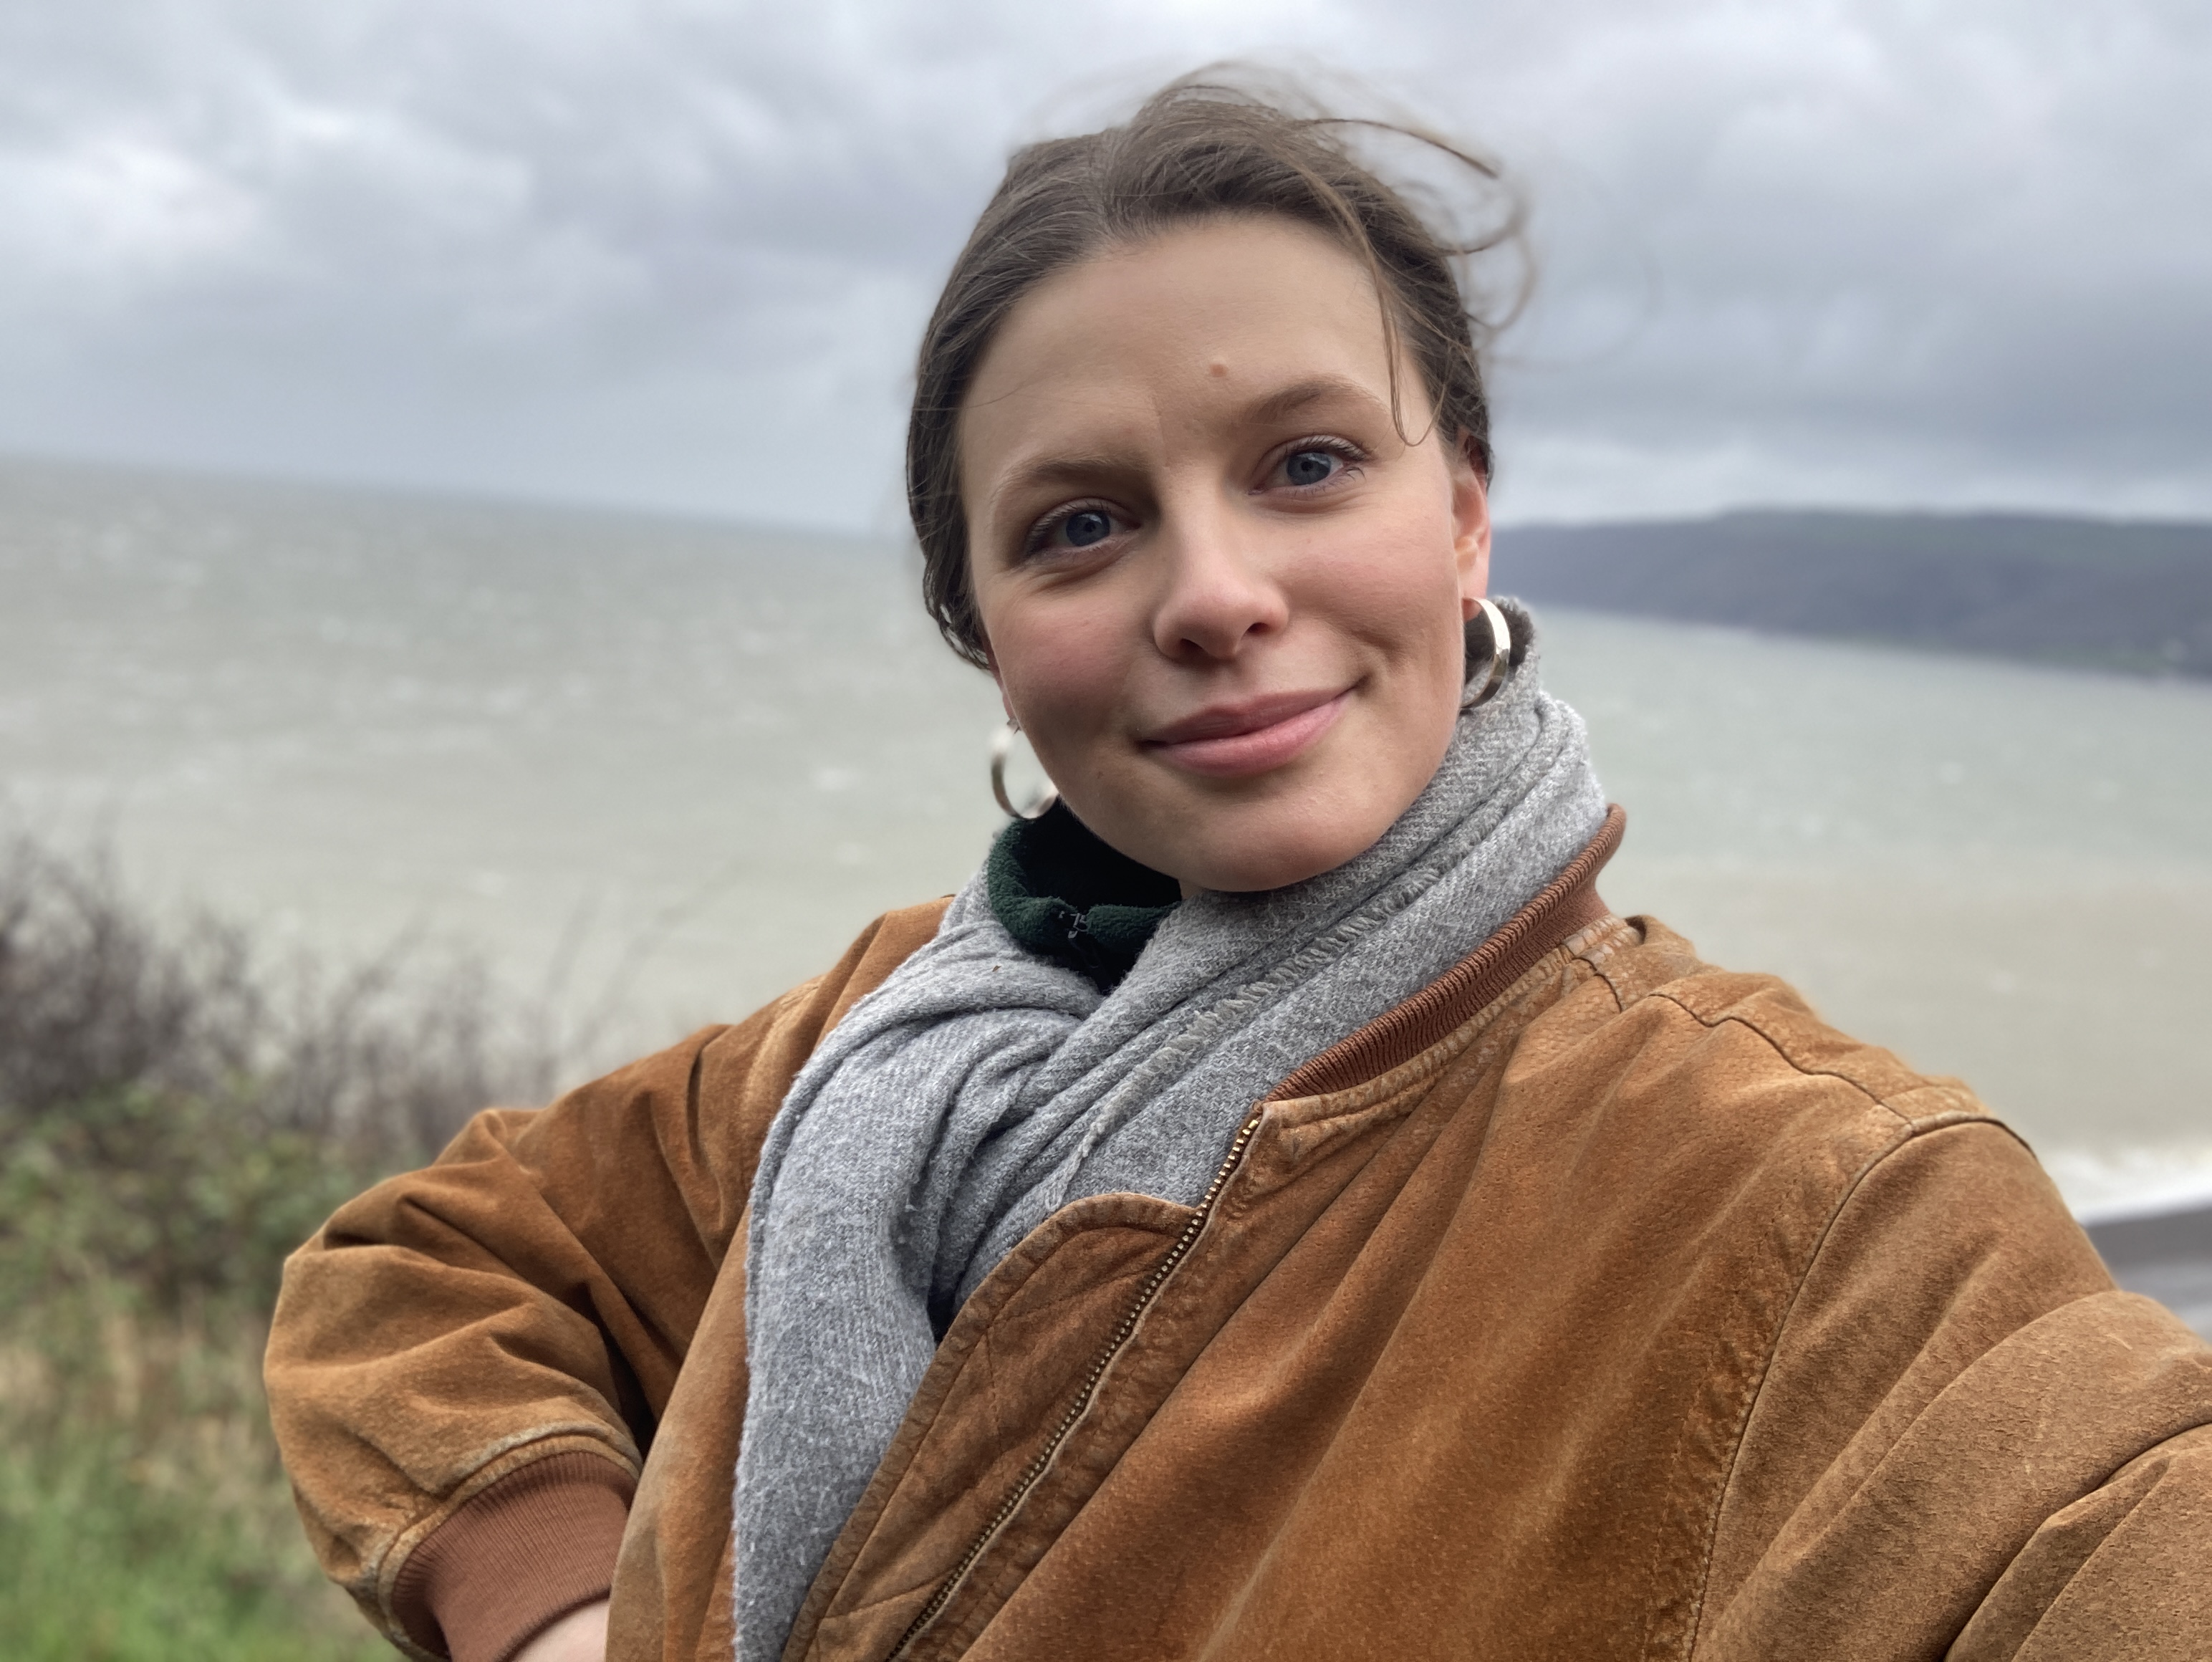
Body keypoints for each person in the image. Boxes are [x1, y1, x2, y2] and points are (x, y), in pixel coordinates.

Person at [265, 76, 2212, 1662]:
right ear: (991, 632)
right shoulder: (887, 1032)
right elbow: (425, 1268)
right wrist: (556, 1616)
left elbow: (2091, 1523)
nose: (1211, 597)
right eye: (1082, 524)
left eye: (1303, 466)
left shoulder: (1801, 1197)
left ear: (1459, 517)